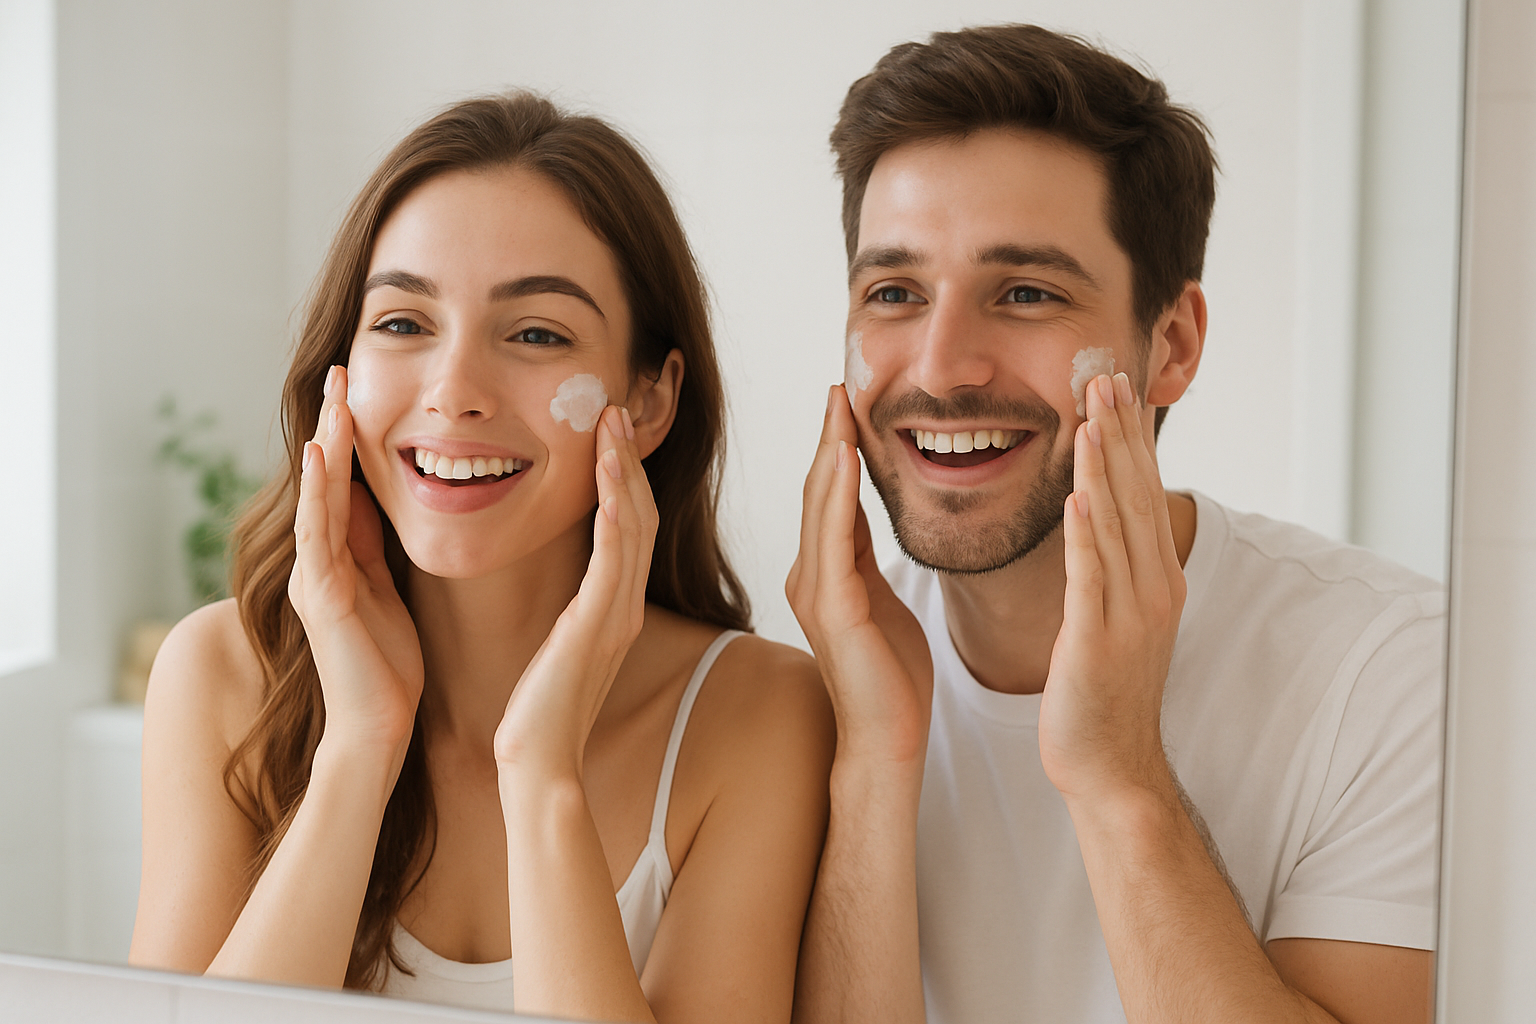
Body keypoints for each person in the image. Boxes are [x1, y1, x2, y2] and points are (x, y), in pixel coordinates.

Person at [128, 92, 833, 1024]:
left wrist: (542, 776)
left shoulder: (757, 716)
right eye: (402, 324)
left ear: (652, 400)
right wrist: (358, 749)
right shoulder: (220, 676)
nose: (454, 391)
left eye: (538, 334)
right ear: (341, 370)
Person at [788, 25, 1442, 1024]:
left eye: (1026, 292)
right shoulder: (811, 661)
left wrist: (1118, 773)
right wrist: (873, 762)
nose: (940, 365)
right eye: (894, 292)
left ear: (1170, 344)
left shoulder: (1392, 672)